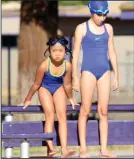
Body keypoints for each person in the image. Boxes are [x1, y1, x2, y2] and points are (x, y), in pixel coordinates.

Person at [72, 1, 119, 158]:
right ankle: (83, 149)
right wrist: (74, 77)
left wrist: (116, 75)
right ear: (91, 12)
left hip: (105, 71)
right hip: (88, 72)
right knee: (85, 110)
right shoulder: (81, 28)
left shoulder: (108, 29)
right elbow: (76, 54)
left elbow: (112, 52)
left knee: (103, 111)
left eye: (105, 14)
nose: (103, 17)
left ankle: (103, 149)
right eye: (99, 14)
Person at [18, 36, 76, 158]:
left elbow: (67, 84)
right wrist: (27, 99)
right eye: (54, 50)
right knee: (49, 114)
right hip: (44, 87)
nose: (57, 54)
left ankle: (64, 149)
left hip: (58, 87)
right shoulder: (44, 66)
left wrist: (70, 98)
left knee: (62, 116)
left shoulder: (68, 66)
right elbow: (36, 84)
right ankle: (50, 149)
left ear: (65, 52)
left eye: (60, 51)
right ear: (49, 51)